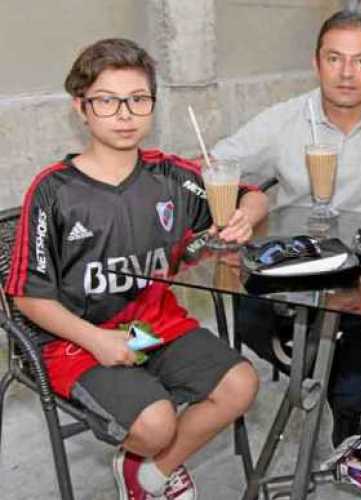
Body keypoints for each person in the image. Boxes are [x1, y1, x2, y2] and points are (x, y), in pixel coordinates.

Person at [5, 38, 268, 500]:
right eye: (107, 101)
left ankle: (144, 472)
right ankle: (146, 444)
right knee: (156, 422)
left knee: (242, 384)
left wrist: (248, 213)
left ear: (152, 106)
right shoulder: (52, 191)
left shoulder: (171, 176)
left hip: (152, 327)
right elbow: (27, 295)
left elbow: (252, 194)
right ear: (81, 108)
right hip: (75, 340)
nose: (125, 114)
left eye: (138, 100)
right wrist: (97, 340)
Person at [210, 10, 361, 445]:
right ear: (316, 64)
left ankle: (339, 395)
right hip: (296, 267)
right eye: (334, 59)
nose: (347, 73)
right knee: (250, 313)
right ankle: (321, 366)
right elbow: (216, 162)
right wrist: (249, 199)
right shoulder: (285, 119)